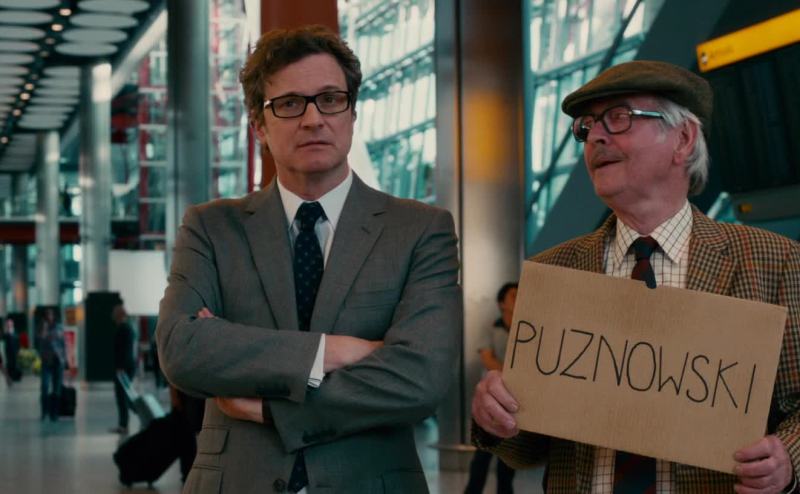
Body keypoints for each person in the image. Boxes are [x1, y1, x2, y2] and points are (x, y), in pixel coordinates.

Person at [156, 25, 461, 493]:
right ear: (259, 125)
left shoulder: (421, 230)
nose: (313, 119)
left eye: (330, 99)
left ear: (352, 113)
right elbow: (182, 349)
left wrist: (271, 408)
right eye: (290, 104)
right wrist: (331, 352)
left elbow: (421, 378)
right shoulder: (211, 227)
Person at [471, 60, 800, 493]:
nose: (596, 136)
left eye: (619, 117)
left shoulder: (775, 261)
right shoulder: (554, 272)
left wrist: (787, 459)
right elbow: (530, 449)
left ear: (683, 139)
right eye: (588, 126)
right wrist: (496, 419)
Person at [464, 282, 518, 494]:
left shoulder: (526, 328)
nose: (519, 299)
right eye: (513, 296)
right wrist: (513, 377)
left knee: (508, 460)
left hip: (514, 403)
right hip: (491, 401)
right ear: (501, 303)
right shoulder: (491, 328)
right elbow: (487, 359)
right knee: (482, 456)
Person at [35, 308, 66, 421]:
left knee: (56, 389)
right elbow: (40, 339)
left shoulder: (59, 327)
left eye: (50, 315)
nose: (49, 317)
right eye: (47, 315)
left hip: (58, 361)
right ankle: (44, 412)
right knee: (44, 386)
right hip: (46, 362)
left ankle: (54, 413)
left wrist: (65, 361)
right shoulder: (42, 328)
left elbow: (63, 344)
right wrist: (44, 327)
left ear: (54, 316)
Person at [110, 303, 136, 434]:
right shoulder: (126, 328)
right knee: (123, 395)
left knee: (122, 396)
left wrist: (121, 367)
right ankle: (123, 424)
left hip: (124, 367)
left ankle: (124, 425)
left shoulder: (124, 329)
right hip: (125, 366)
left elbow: (124, 350)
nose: (112, 315)